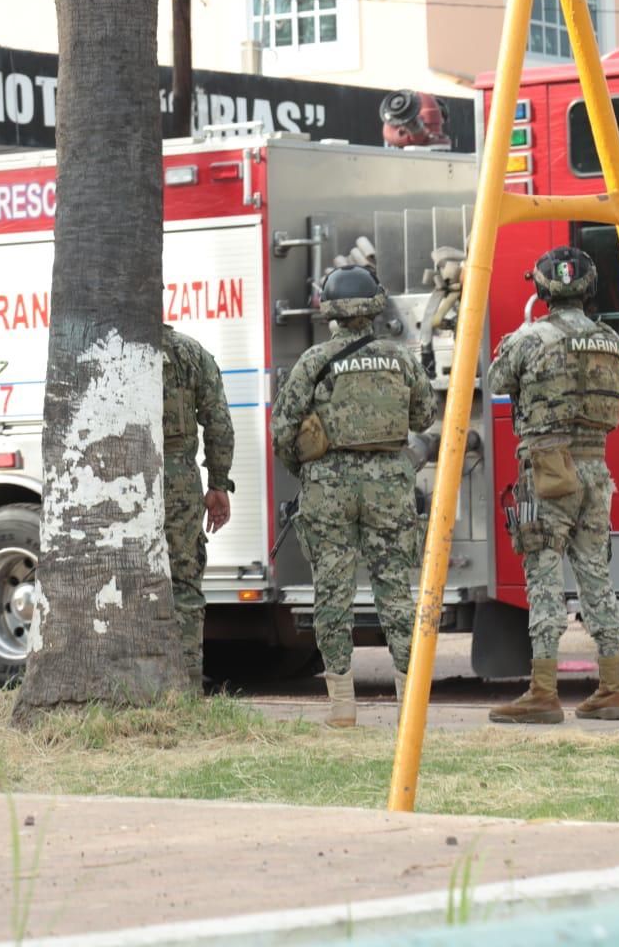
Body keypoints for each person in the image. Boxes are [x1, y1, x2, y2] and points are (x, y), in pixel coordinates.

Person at [271, 265, 434, 727]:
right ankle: (408, 705)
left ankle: (342, 706)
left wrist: (304, 468)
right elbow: (424, 416)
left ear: (329, 310)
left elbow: (282, 428)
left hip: (328, 486)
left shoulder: (313, 361)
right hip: (389, 482)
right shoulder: (400, 358)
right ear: (376, 305)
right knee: (396, 593)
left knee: (333, 593)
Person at [485, 247, 619, 724]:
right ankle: (612, 688)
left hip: (546, 472)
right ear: (588, 288)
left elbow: (494, 380)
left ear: (542, 290)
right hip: (596, 470)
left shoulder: (529, 338)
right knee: (596, 577)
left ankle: (543, 693)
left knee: (543, 576)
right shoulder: (610, 340)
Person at [161, 323, 234, 682]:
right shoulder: (187, 352)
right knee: (184, 582)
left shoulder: (112, 348)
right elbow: (218, 422)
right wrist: (218, 483)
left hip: (119, 478)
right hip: (178, 481)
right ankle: (187, 684)